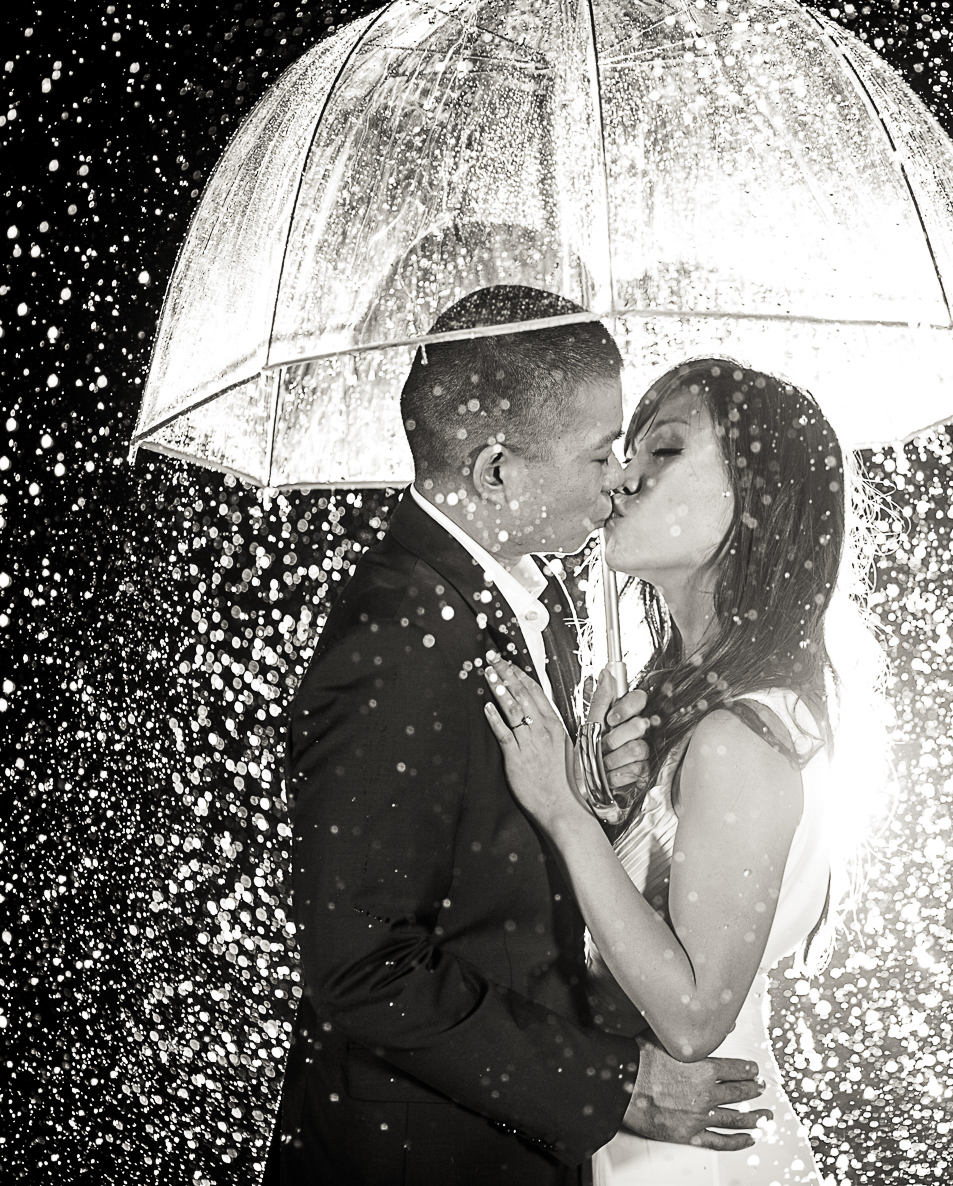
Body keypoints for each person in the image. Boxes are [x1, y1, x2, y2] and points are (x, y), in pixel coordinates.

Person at [267, 294, 772, 1185]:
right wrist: (615, 1086)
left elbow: (488, 875)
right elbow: (361, 964)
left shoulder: (520, 608)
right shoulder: (399, 637)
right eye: (598, 454)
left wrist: (588, 797)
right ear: (497, 470)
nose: (619, 481)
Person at [482, 358, 881, 1186]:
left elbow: (695, 1017)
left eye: (662, 451)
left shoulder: (741, 737)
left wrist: (562, 813)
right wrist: (598, 802)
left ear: (758, 496)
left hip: (699, 1165)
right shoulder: (703, 711)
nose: (622, 478)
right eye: (628, 451)